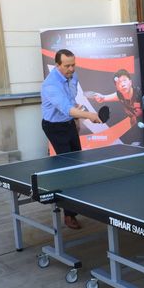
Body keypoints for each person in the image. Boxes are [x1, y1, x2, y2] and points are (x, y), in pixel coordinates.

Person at [41, 49, 101, 229]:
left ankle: (74, 203)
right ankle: (68, 214)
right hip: (54, 127)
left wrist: (76, 119)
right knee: (67, 168)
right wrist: (89, 115)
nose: (71, 69)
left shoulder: (73, 77)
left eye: (73, 64)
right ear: (57, 65)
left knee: (77, 164)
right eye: (67, 66)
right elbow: (66, 108)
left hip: (69, 124)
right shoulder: (50, 85)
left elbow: (71, 101)